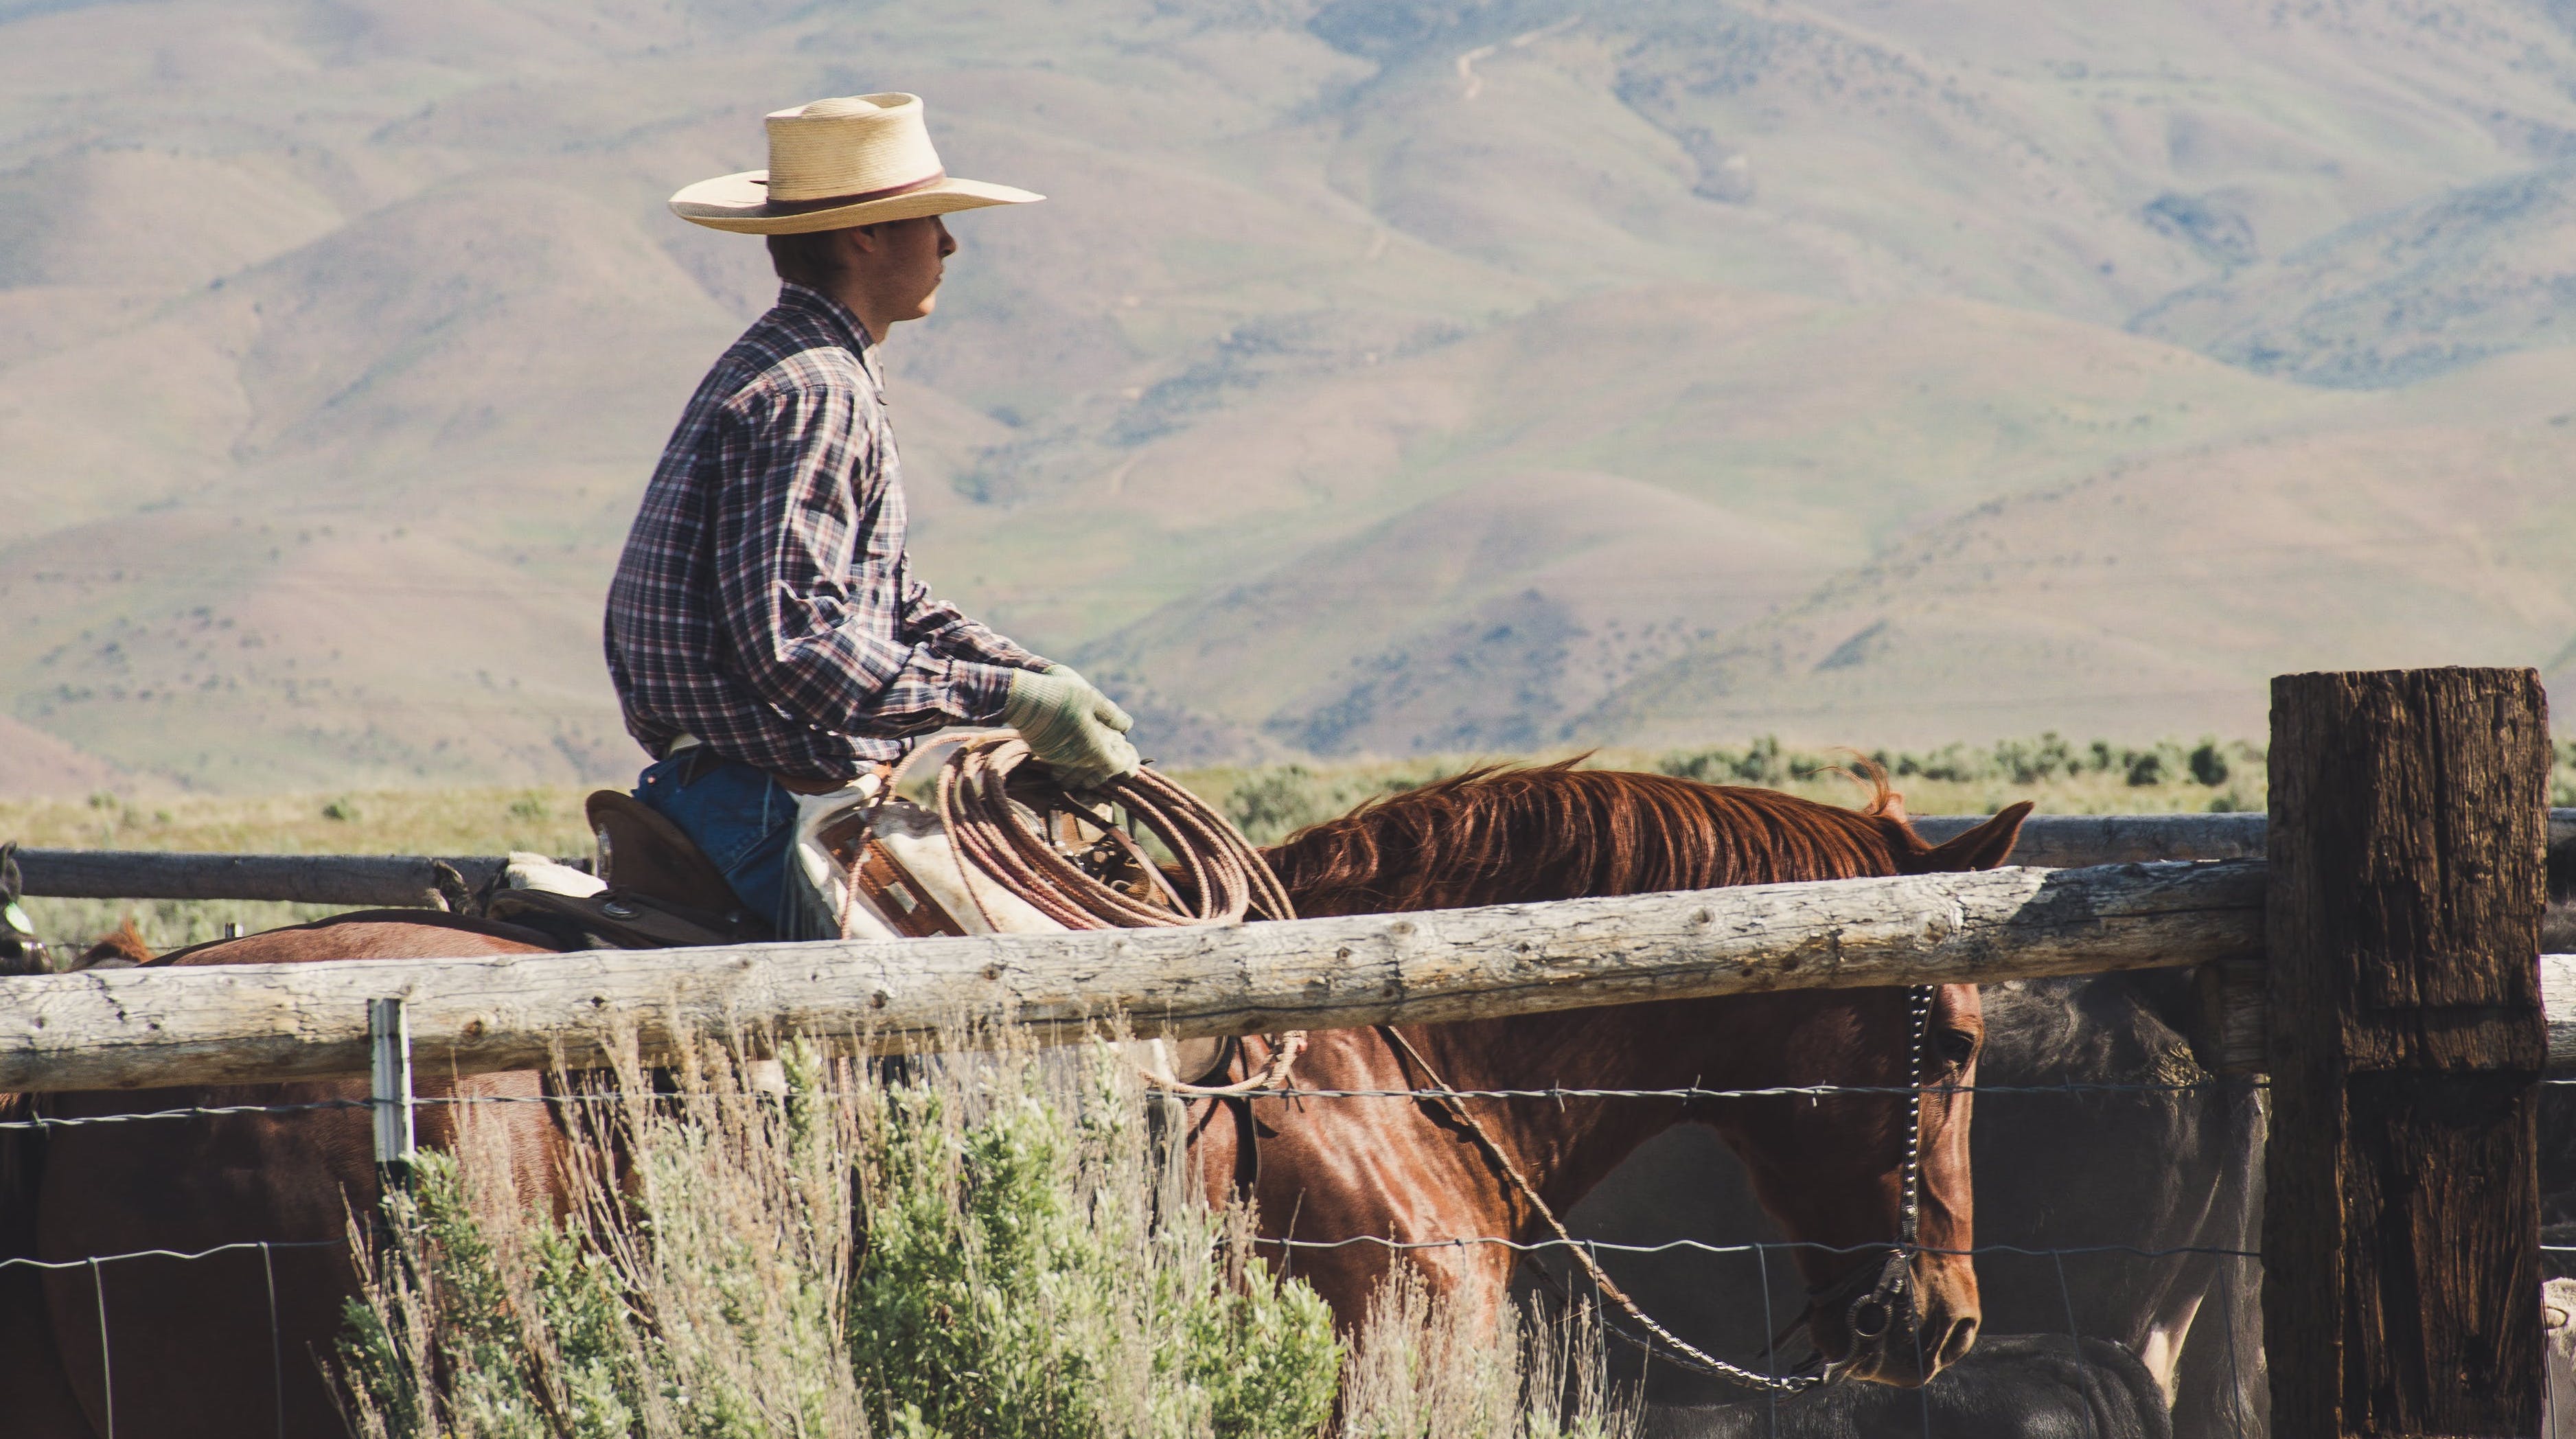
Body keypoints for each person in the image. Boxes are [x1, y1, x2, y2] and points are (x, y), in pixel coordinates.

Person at [604, 93, 1137, 932]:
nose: (950, 242)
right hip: (770, 798)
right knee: (1003, 1001)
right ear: (867, 234)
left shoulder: (789, 364)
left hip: (737, 786)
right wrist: (1008, 700)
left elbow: (881, 597)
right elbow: (796, 644)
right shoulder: (816, 387)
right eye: (931, 219)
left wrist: (1030, 677)